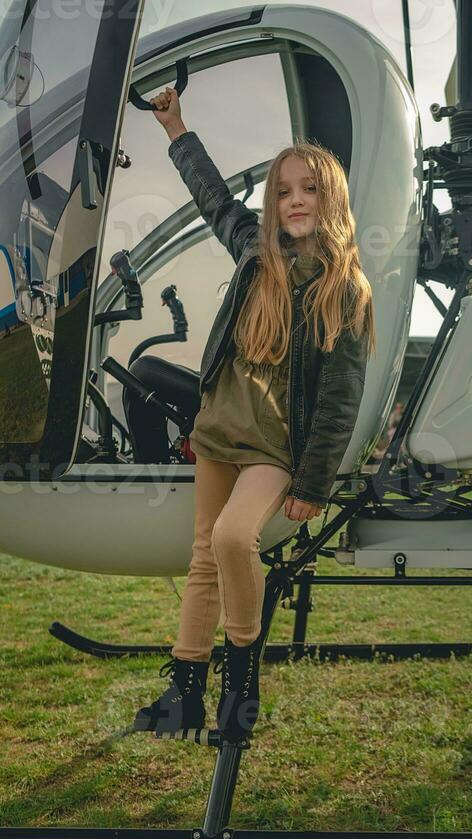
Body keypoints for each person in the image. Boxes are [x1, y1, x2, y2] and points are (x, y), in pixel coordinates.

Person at [133, 86, 377, 742]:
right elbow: (212, 195)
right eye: (284, 191)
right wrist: (176, 125)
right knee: (204, 561)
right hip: (218, 431)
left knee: (235, 540)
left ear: (332, 201)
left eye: (310, 190)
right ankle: (185, 689)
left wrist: (315, 482)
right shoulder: (253, 253)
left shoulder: (344, 289)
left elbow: (340, 397)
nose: (295, 200)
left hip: (275, 447)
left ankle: (241, 678)